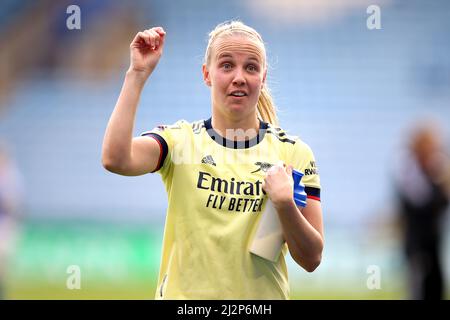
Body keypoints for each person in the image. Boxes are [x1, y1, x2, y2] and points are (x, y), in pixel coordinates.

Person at [102, 21, 324, 299]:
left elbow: (312, 258)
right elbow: (115, 158)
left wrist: (285, 204)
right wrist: (136, 73)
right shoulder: (179, 141)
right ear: (207, 74)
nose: (239, 77)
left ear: (263, 78)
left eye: (251, 67)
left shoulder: (293, 153)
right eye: (227, 65)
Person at [394, 122, 450, 300]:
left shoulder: (432, 171)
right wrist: (442, 187)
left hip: (433, 241)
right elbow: (420, 203)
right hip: (416, 242)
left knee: (436, 287)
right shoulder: (409, 172)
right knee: (419, 288)